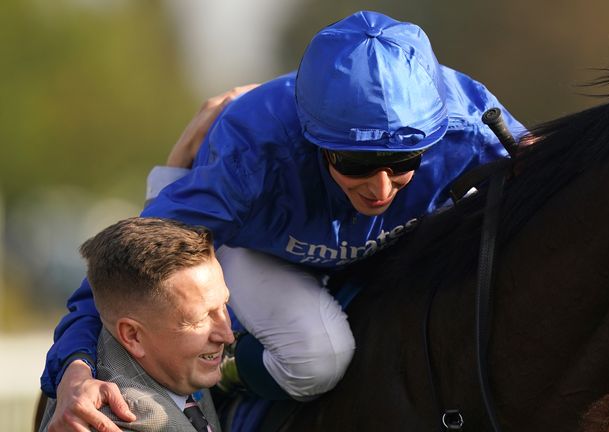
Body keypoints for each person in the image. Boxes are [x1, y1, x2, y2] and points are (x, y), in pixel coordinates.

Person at [41, 10, 528, 431]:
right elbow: (115, 281)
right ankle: (224, 374)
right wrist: (73, 371)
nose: (381, 190)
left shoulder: (471, 125)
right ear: (313, 140)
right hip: (257, 252)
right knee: (317, 358)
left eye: (403, 162)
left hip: (387, 251)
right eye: (356, 164)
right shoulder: (251, 155)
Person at [39, 217, 234, 431]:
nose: (227, 335)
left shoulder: (173, 366)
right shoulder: (116, 421)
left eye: (224, 305)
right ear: (132, 336)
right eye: (199, 319)